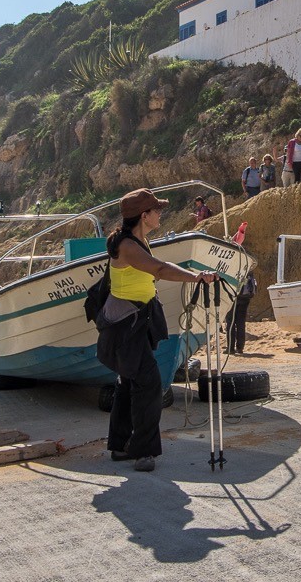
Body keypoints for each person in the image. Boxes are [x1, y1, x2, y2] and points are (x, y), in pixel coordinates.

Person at [99, 189, 217, 472]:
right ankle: (142, 452)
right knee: (149, 384)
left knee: (129, 382)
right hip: (125, 325)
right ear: (144, 215)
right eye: (157, 210)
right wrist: (196, 276)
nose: (160, 214)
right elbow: (160, 270)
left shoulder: (138, 240)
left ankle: (120, 445)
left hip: (135, 321)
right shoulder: (127, 246)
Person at [226, 270, 257, 355]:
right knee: (241, 323)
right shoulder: (249, 268)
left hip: (233, 297)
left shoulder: (234, 265)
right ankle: (240, 348)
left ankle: (230, 348)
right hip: (246, 297)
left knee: (230, 322)